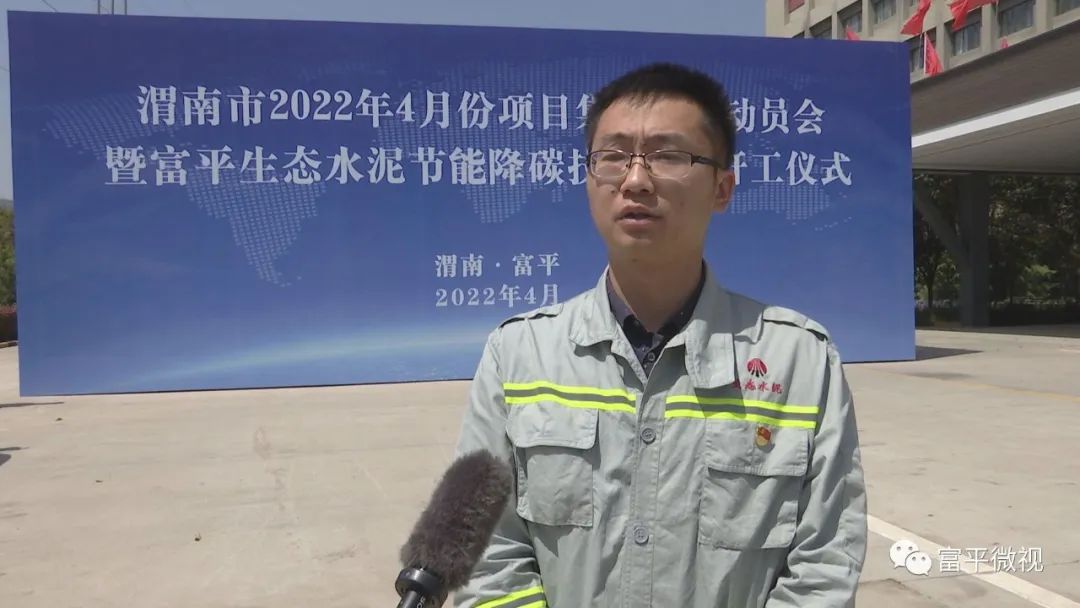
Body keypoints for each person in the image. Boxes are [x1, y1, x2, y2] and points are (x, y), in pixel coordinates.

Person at [451, 62, 867, 608]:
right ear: (589, 180)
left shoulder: (800, 362)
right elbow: (485, 552)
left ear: (722, 188)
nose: (636, 180)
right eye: (613, 156)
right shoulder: (519, 354)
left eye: (669, 156)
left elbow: (824, 566)